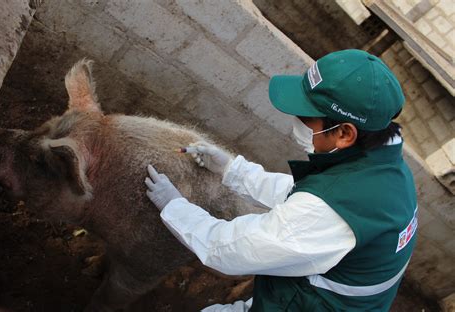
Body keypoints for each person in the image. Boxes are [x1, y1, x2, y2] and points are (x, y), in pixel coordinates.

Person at [144, 49, 418, 311]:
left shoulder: (333, 212)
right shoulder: (386, 167)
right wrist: (232, 169)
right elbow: (304, 197)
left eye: (305, 118)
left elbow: (228, 250)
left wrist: (175, 207)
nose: (296, 123)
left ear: (345, 133)